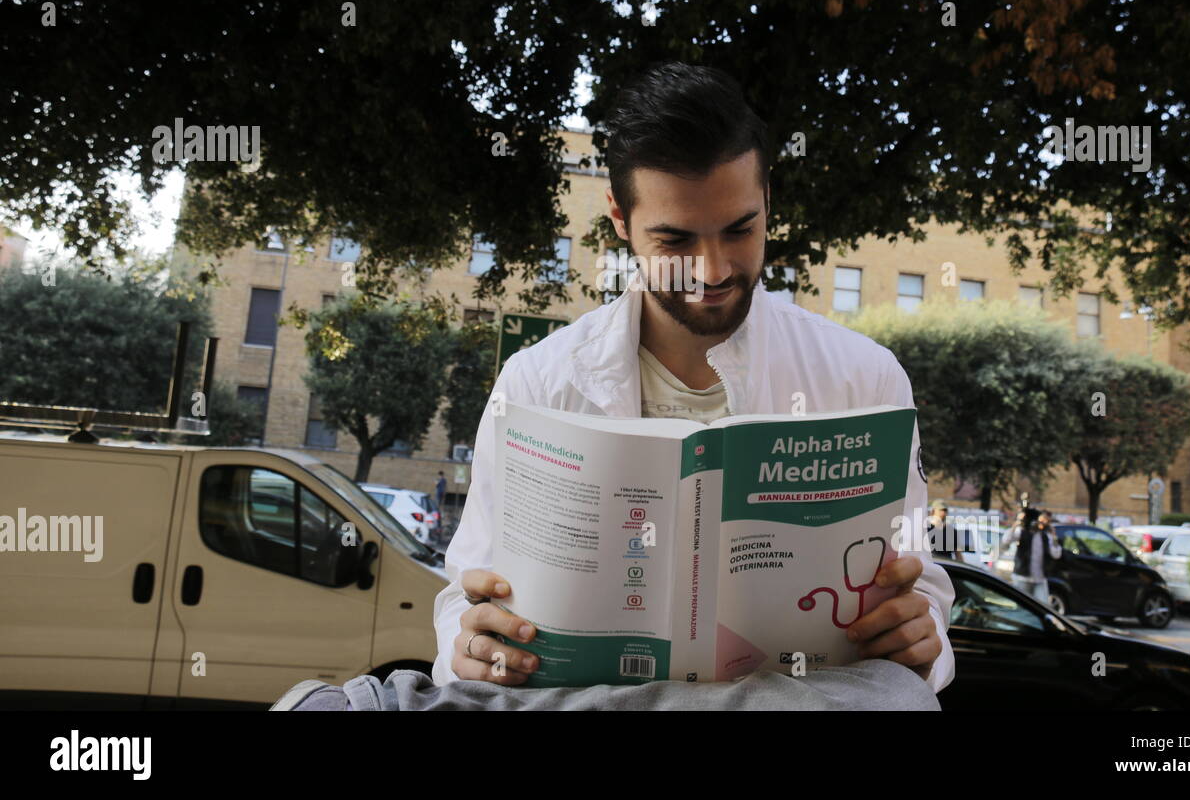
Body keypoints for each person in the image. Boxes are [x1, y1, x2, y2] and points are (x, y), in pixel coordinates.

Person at [276, 62, 954, 711]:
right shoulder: (538, 382)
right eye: (676, 239)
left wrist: (922, 641)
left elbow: (918, 584)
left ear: (768, 202)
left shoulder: (862, 377)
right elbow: (467, 596)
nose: (711, 269)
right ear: (620, 222)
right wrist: (472, 645)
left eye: (741, 229)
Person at [1000, 507, 1061, 605]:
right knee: (1021, 605)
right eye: (1039, 521)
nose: (1040, 524)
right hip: (1022, 577)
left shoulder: (1046, 536)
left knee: (1043, 605)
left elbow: (1056, 554)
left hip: (1040, 578)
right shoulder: (1021, 532)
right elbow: (1006, 539)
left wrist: (1054, 536)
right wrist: (1016, 524)